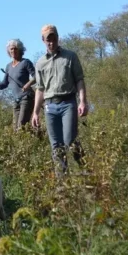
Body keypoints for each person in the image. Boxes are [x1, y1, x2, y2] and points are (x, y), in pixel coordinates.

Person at [31, 24, 89, 177]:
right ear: (43, 40)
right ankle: (62, 185)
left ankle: (86, 171)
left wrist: (83, 101)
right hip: (50, 107)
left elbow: (79, 80)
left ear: (58, 37)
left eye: (53, 38)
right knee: (56, 146)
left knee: (69, 141)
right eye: (48, 39)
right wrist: (35, 113)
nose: (51, 42)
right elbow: (40, 89)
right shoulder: (40, 63)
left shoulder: (70, 56)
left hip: (68, 103)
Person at [0, 39, 37, 131]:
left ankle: (33, 141)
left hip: (26, 98)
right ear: (8, 51)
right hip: (16, 100)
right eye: (11, 49)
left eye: (15, 49)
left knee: (21, 126)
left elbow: (37, 77)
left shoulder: (25, 62)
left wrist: (28, 84)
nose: (13, 51)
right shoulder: (8, 66)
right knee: (15, 129)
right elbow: (4, 84)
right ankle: (36, 137)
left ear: (20, 50)